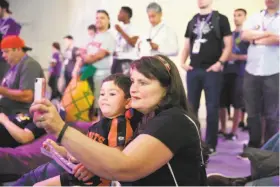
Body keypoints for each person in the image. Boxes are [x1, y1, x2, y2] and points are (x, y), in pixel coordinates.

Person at [30, 55, 207, 186]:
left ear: (166, 88)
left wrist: (60, 129)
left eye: (143, 83)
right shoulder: (143, 117)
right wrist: (94, 165)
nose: (133, 89)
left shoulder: (174, 120)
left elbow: (124, 166)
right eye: (132, 81)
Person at [31, 74, 133, 186]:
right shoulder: (97, 125)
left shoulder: (119, 123)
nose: (104, 97)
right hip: (79, 174)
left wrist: (93, 168)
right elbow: (82, 153)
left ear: (128, 102)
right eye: (102, 94)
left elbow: (116, 159)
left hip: (96, 180)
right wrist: (59, 150)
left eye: (112, 94)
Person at [181, 0, 232, 153]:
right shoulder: (192, 20)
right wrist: (182, 62)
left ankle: (210, 145)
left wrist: (220, 63)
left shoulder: (220, 19)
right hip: (194, 69)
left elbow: (228, 45)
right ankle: (192, 142)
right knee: (191, 108)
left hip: (212, 70)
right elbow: (187, 45)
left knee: (212, 108)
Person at [241, 0, 279, 149]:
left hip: (274, 71)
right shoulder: (255, 17)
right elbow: (244, 35)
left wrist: (256, 40)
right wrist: (269, 34)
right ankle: (254, 145)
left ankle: (270, 148)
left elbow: (279, 39)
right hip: (252, 71)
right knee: (252, 113)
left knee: (272, 114)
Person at [219, 8, 249, 140]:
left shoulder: (247, 36)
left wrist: (236, 57)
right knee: (222, 102)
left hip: (239, 73)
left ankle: (234, 131)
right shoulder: (229, 35)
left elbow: (251, 56)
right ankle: (223, 129)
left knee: (237, 103)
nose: (236, 18)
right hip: (225, 72)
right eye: (235, 15)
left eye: (239, 15)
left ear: (244, 17)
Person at [78, 10, 116, 117]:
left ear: (108, 21)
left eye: (102, 18)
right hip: (89, 71)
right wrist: (85, 57)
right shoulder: (93, 36)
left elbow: (98, 56)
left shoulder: (109, 37)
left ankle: (101, 127)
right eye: (97, 18)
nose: (99, 20)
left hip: (101, 73)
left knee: (100, 103)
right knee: (88, 101)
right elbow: (81, 51)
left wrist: (86, 57)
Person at [0, 35, 44, 115]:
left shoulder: (29, 65)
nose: (3, 55)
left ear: (18, 49)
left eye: (6, 51)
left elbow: (27, 96)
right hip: (7, 109)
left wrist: (2, 90)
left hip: (21, 113)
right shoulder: (13, 67)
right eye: (2, 52)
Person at [111, 6, 139, 75]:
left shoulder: (133, 27)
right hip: (117, 59)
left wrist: (121, 31)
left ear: (126, 14)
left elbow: (133, 43)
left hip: (127, 60)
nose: (118, 14)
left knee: (123, 82)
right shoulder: (120, 27)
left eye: (120, 12)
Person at [0, 0, 21, 83]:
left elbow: (11, 42)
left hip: (4, 60)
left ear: (3, 9)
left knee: (4, 84)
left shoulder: (12, 24)